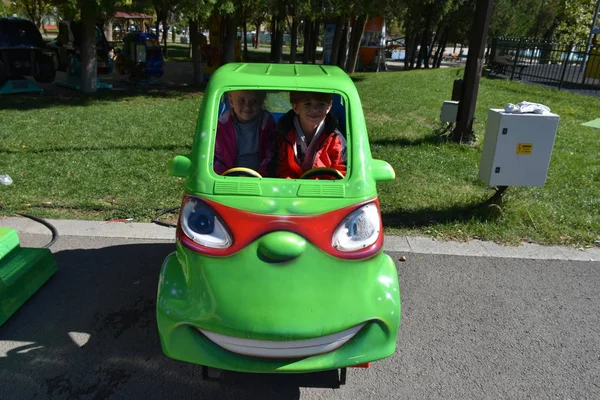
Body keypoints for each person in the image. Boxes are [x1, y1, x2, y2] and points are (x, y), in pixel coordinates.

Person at [270, 91, 346, 179]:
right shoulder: (284, 133)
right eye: (308, 104)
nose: (314, 109)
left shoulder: (335, 137)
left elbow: (340, 170)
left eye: (321, 104)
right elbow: (281, 167)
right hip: (291, 187)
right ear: (296, 107)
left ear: (328, 107)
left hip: (323, 188)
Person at [213, 90, 276, 176]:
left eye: (253, 101)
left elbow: (272, 154)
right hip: (230, 177)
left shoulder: (268, 125)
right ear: (231, 101)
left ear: (261, 101)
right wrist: (224, 176)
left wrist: (262, 176)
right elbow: (218, 158)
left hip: (262, 177)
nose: (247, 106)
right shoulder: (222, 126)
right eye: (241, 101)